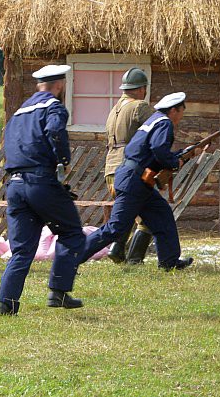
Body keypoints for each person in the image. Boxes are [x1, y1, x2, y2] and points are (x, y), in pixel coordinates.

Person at [0, 65, 86, 316]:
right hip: (39, 181)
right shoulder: (53, 107)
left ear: (39, 85)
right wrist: (63, 161)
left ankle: (5, 302)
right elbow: (55, 132)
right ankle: (58, 292)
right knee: (72, 233)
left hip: (14, 184)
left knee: (22, 249)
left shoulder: (18, 113)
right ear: (59, 85)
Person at [81, 92, 195, 271]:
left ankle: (169, 262)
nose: (181, 116)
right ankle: (72, 256)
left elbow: (149, 152)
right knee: (116, 228)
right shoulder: (164, 123)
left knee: (162, 216)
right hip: (134, 181)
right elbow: (158, 148)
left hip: (137, 180)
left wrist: (177, 156)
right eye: (181, 111)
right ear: (174, 110)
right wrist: (175, 162)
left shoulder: (153, 121)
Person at [103, 68, 155, 264]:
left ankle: (118, 249)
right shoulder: (140, 106)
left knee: (127, 212)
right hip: (131, 168)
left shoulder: (113, 110)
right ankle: (133, 257)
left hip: (111, 169)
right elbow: (158, 128)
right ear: (142, 88)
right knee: (148, 217)